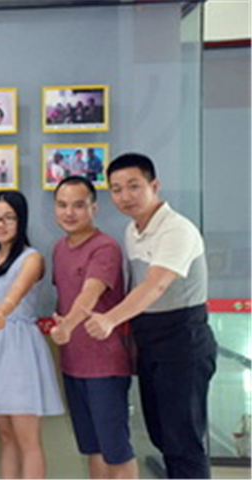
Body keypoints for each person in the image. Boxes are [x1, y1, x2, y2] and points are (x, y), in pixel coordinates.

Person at [84, 153, 217, 479]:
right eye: (116, 189)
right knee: (161, 435)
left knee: (183, 440)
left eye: (133, 186)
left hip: (183, 339)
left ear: (154, 185)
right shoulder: (133, 231)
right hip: (149, 340)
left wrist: (110, 319)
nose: (125, 196)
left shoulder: (177, 230)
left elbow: (155, 286)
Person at [49, 177, 137, 479]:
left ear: (94, 208)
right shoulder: (59, 249)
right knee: (93, 448)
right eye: (62, 205)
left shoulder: (105, 248)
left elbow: (89, 294)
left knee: (117, 450)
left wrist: (67, 328)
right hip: (74, 366)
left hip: (106, 367)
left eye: (78, 205)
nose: (69, 212)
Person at [0, 191, 63, 479]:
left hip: (19, 346)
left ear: (21, 221)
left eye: (9, 217)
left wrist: (5, 310)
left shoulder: (31, 258)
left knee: (28, 439)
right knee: (4, 435)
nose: (0, 224)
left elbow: (17, 291)